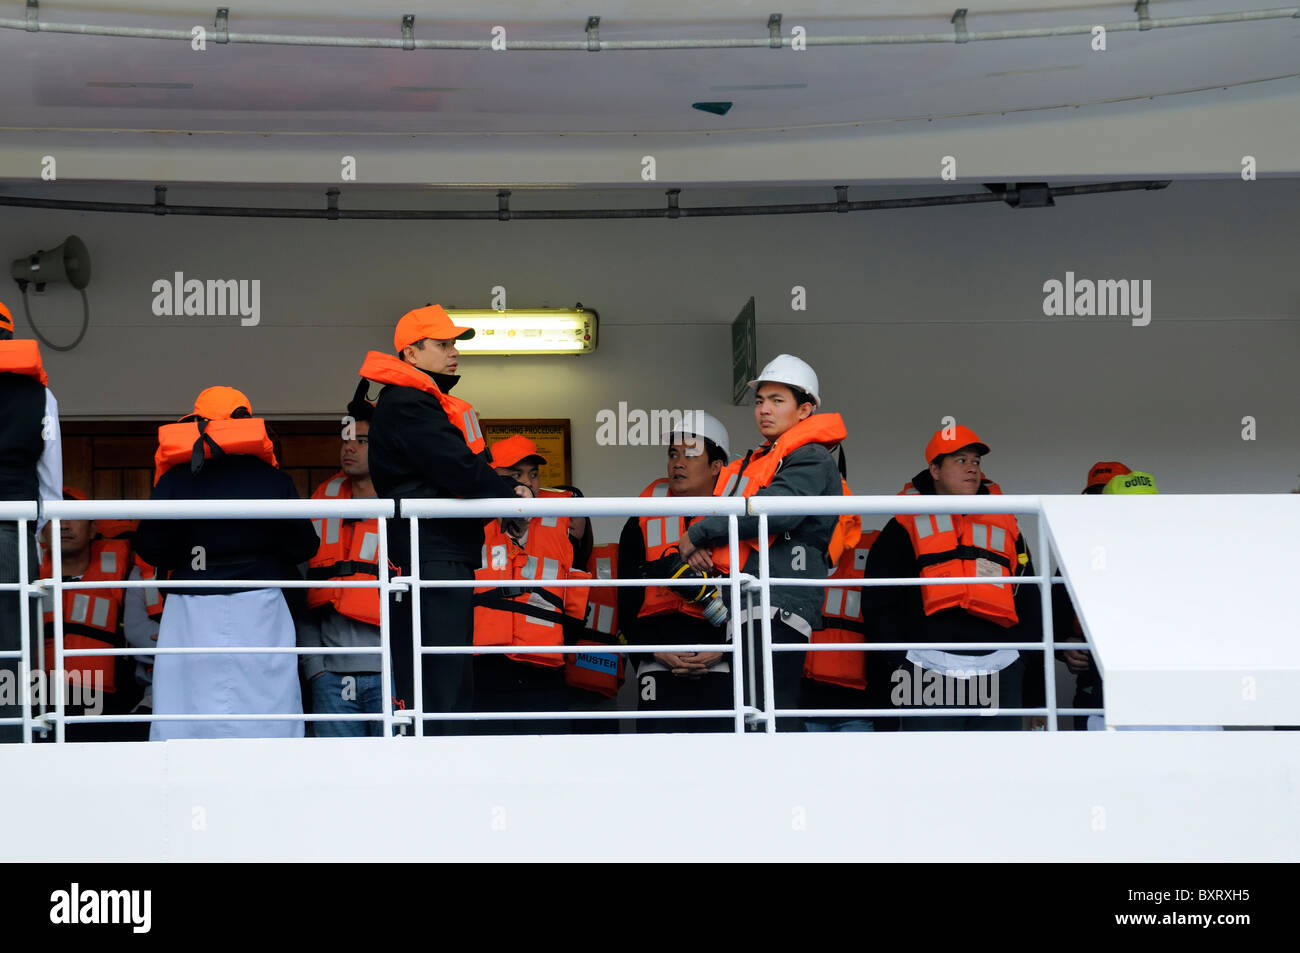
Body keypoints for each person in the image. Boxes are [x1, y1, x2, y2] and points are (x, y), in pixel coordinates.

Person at [359, 304, 532, 735]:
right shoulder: (408, 403)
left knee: (446, 667)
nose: (453, 352)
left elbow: (455, 470)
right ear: (411, 355)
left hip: (438, 551)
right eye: (442, 344)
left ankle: (444, 754)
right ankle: (436, 762)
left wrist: (500, 502)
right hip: (428, 553)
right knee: (437, 673)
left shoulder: (414, 402)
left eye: (454, 344)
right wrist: (510, 493)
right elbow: (456, 466)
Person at [134, 386, 319, 740]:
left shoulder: (175, 480)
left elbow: (151, 548)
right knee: (268, 705)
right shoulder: (273, 480)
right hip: (260, 605)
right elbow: (303, 546)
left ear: (198, 424)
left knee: (187, 709)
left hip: (190, 606)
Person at [678, 356, 852, 732]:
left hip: (781, 601)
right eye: (760, 401)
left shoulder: (811, 457)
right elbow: (738, 514)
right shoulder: (767, 458)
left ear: (805, 410)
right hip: (753, 599)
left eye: (776, 400)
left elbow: (777, 512)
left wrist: (699, 534)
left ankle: (784, 784)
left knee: (774, 703)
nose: (764, 409)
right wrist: (708, 542)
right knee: (754, 707)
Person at [865, 424, 1042, 731]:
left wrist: (1022, 658)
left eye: (976, 461)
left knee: (997, 769)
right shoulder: (903, 525)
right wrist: (900, 659)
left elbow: (1029, 597)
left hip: (1000, 667)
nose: (972, 469)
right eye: (960, 461)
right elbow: (878, 601)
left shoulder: (1006, 522)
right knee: (931, 768)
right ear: (934, 469)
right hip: (925, 667)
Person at [618, 412, 735, 732]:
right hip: (658, 663)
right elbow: (626, 597)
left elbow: (755, 596)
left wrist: (726, 649)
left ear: (717, 467)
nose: (678, 463)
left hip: (722, 663)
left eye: (690, 454)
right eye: (673, 454)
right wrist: (652, 650)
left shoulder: (741, 521)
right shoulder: (641, 519)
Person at [471, 435, 591, 734]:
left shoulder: (563, 521)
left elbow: (573, 592)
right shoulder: (469, 520)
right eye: (515, 475)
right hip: (487, 671)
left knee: (546, 768)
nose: (527, 483)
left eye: (533, 474)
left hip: (544, 671)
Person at [298, 398, 385, 737]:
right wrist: (314, 668)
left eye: (361, 441)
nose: (349, 447)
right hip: (330, 676)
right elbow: (302, 592)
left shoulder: (404, 509)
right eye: (346, 439)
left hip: (389, 671)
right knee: (337, 776)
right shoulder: (322, 504)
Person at [0, 301, 62, 742]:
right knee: (13, 654)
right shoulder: (41, 396)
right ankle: (12, 743)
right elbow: (51, 487)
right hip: (12, 539)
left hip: (14, 534)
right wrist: (31, 536)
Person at [37, 487, 142, 741]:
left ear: (93, 529)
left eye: (74, 515)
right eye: (54, 517)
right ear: (42, 530)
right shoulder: (23, 578)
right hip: (37, 698)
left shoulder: (125, 577)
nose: (63, 525)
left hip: (103, 701)